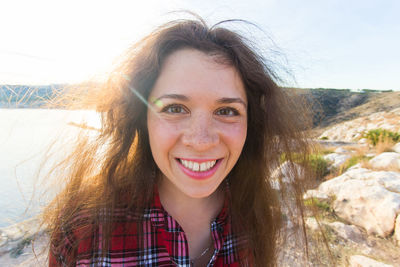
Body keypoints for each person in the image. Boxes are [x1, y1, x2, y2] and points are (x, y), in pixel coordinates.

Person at [44, 16, 313, 267]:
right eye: (174, 108)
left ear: (250, 124)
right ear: (142, 119)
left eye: (227, 111)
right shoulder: (85, 227)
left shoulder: (254, 214)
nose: (200, 140)